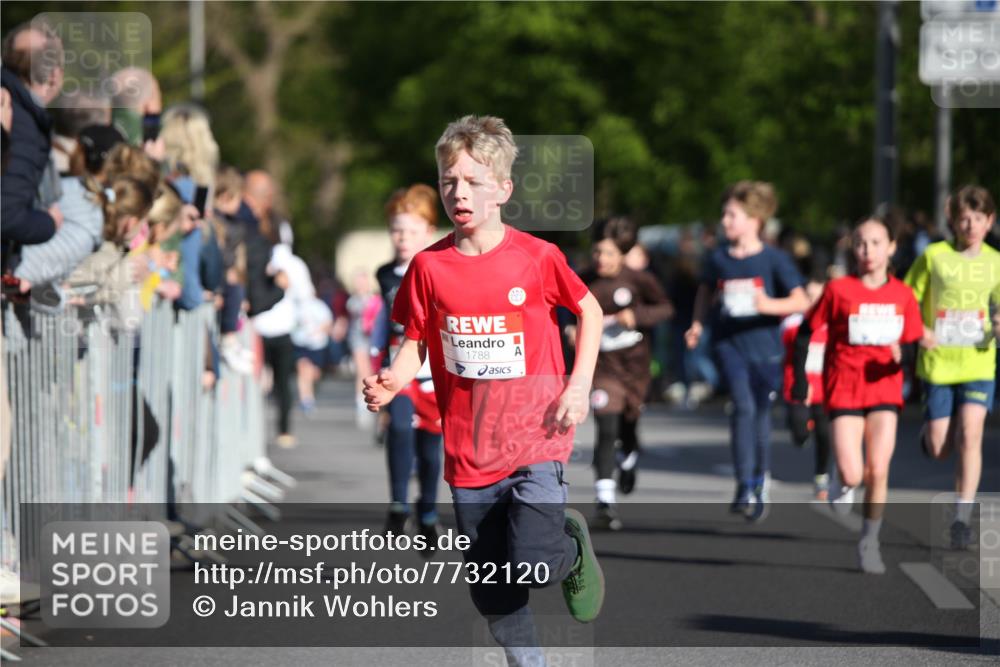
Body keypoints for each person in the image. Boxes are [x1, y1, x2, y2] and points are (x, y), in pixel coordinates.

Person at [363, 115, 605, 666]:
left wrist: (578, 386)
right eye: (449, 181)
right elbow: (416, 340)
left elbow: (589, 310)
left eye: (473, 182)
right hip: (470, 451)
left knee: (535, 563)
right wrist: (394, 380)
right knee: (493, 588)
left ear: (503, 190)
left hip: (536, 436)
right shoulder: (428, 267)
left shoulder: (537, 257)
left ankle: (569, 548)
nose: (459, 193)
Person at [804, 215, 924, 573]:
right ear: (852, 248)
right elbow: (806, 330)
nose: (867, 250)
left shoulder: (903, 294)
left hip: (884, 388)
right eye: (860, 243)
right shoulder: (838, 290)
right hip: (844, 387)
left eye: (875, 243)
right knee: (854, 474)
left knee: (878, 469)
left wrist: (905, 354)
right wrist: (799, 382)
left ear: (891, 248)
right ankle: (843, 480)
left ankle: (870, 541)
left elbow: (914, 344)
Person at [685, 181, 809, 522]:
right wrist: (697, 324)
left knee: (760, 414)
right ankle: (743, 483)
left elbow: (801, 300)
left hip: (766, 349)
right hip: (730, 344)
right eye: (724, 214)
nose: (724, 221)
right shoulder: (718, 258)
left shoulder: (774, 259)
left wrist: (769, 305)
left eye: (732, 215)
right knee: (742, 407)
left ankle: (758, 480)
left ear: (754, 220)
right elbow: (705, 291)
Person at [904, 185, 1000, 550]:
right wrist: (920, 330)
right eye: (963, 218)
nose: (970, 225)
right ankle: (929, 438)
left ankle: (961, 517)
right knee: (941, 447)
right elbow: (908, 298)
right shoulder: (934, 256)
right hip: (939, 363)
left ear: (989, 221)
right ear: (953, 221)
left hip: (978, 360)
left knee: (971, 435)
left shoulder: (996, 261)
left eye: (978, 218)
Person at [577, 216, 672, 529]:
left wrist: (637, 315)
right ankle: (605, 500)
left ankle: (629, 456)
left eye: (608, 253)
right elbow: (562, 309)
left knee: (628, 423)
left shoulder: (639, 280)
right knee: (606, 427)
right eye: (597, 252)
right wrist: (569, 329)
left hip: (634, 367)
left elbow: (665, 307)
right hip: (601, 366)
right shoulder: (583, 279)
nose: (601, 259)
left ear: (623, 254)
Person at [373, 184, 443, 548]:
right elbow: (383, 323)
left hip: (432, 370)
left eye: (411, 231)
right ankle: (398, 503)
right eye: (396, 230)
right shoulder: (385, 274)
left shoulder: (439, 268)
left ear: (428, 231)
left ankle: (427, 509)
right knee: (399, 427)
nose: (402, 238)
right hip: (398, 369)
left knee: (430, 449)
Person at [1, 21, 65, 269]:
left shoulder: (13, 109)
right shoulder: (22, 125)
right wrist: (48, 223)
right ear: (54, 74)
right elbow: (6, 215)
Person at [784, 275, 832, 500]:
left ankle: (821, 475)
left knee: (824, 433)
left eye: (818, 298)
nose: (814, 302)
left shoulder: (832, 325)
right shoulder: (792, 325)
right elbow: (786, 357)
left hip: (824, 389)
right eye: (810, 297)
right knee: (800, 434)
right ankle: (801, 429)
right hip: (798, 387)